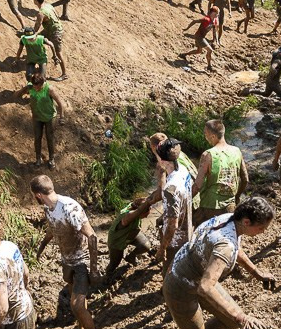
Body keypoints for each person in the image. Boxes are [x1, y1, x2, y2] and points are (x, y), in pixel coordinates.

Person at [163, 198, 277, 329]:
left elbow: (235, 250)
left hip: (197, 273)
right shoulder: (225, 245)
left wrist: (258, 273)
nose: (263, 232)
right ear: (247, 222)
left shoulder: (231, 220)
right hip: (180, 286)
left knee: (229, 320)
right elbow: (206, 287)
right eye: (261, 228)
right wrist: (243, 318)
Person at [31, 175, 100, 329]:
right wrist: (40, 249)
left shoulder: (69, 208)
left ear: (38, 195)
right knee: (74, 297)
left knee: (76, 305)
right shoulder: (48, 207)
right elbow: (52, 229)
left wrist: (93, 268)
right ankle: (81, 327)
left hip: (81, 262)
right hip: (67, 260)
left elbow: (92, 236)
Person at [193, 120, 249, 223]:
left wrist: (185, 202)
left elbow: (197, 186)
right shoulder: (237, 151)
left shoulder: (208, 155)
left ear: (213, 136)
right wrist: (236, 197)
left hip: (209, 207)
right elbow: (245, 179)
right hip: (230, 206)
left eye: (206, 134)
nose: (205, 137)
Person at [154, 138, 196, 269]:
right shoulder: (183, 170)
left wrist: (162, 248)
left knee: (170, 273)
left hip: (175, 241)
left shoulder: (170, 189)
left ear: (162, 160)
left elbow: (172, 225)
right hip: (188, 230)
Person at [19, 71, 66, 167]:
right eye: (35, 86)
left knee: (49, 137)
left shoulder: (49, 89)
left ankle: (51, 159)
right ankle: (38, 158)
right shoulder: (30, 87)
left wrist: (62, 117)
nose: (36, 88)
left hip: (49, 117)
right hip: (37, 117)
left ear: (42, 83)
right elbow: (20, 93)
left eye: (38, 87)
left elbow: (60, 103)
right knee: (37, 137)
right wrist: (15, 96)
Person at [105, 195, 155, 281]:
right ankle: (108, 277)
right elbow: (128, 218)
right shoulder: (128, 216)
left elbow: (149, 199)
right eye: (145, 215)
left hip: (132, 233)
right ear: (140, 212)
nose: (146, 217)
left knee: (145, 245)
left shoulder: (135, 207)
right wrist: (142, 208)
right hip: (117, 242)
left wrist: (151, 200)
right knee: (114, 263)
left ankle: (131, 257)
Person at [32, 0, 68, 80]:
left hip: (55, 32)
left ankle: (64, 74)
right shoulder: (48, 6)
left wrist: (31, 33)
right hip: (52, 28)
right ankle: (38, 56)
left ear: (36, 1)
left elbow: (37, 27)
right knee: (37, 39)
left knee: (58, 52)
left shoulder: (41, 13)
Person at [182, 6, 220, 72]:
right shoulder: (206, 19)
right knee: (210, 50)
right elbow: (194, 21)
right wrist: (187, 28)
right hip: (199, 37)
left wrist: (216, 40)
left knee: (198, 51)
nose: (218, 14)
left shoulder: (214, 21)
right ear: (213, 13)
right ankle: (209, 66)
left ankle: (183, 54)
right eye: (217, 13)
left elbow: (215, 31)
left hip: (202, 37)